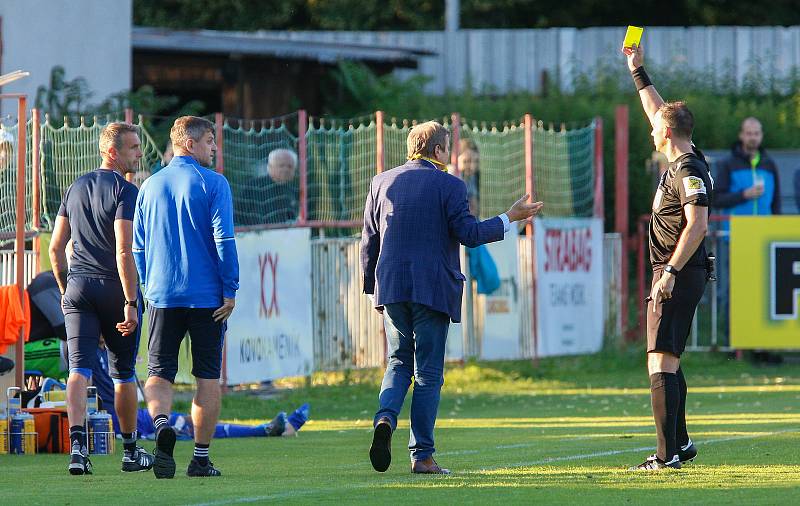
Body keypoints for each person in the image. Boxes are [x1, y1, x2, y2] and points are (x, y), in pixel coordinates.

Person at [361, 121, 543, 474]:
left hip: (392, 287)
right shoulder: (450, 185)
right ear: (440, 151)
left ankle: (385, 419)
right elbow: (469, 235)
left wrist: (372, 288)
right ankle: (422, 456)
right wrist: (510, 217)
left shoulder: (379, 182)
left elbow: (369, 240)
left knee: (398, 362)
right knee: (428, 373)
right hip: (433, 288)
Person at [133, 116, 239, 478]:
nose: (214, 147)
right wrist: (231, 288)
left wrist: (149, 287)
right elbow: (224, 239)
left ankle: (162, 424)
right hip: (208, 296)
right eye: (210, 140)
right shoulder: (214, 183)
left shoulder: (149, 185)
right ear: (190, 143)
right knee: (207, 376)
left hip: (162, 294)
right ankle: (200, 458)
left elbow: (138, 248)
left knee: (159, 373)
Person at [624, 43, 713, 471]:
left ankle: (666, 455)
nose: (650, 128)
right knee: (669, 358)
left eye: (655, 126)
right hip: (676, 270)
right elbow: (658, 110)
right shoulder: (682, 158)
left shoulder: (690, 171)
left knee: (661, 358)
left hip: (678, 271)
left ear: (667, 133)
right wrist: (638, 71)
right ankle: (681, 443)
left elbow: (698, 226)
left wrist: (671, 271)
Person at [48, 122, 153, 476]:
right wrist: (130, 302)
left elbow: (54, 248)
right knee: (123, 373)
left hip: (77, 287)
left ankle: (77, 449)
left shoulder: (74, 187)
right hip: (112, 287)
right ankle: (130, 451)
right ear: (112, 152)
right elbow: (124, 250)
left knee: (78, 369)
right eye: (134, 147)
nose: (140, 153)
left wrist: (65, 291)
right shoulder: (126, 190)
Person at [712, 117, 781, 342]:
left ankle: (761, 341)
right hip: (736, 236)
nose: (753, 137)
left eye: (756, 133)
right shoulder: (728, 164)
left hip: (764, 237)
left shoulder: (769, 164)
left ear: (761, 136)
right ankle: (734, 340)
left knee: (764, 289)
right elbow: (717, 199)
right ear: (741, 135)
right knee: (737, 290)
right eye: (749, 133)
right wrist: (744, 195)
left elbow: (776, 203)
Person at [238, 148, 299, 225]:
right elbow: (238, 215)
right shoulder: (254, 187)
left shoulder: (295, 191)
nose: (286, 170)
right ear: (270, 167)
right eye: (281, 165)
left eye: (290, 166)